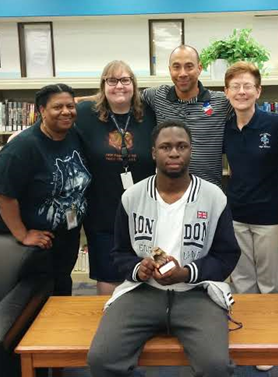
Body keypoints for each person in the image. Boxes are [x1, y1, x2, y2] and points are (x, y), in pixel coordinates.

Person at [87, 120, 241, 377]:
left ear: (191, 150)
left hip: (196, 292)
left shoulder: (214, 197)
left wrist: (187, 273)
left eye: (182, 146)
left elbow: (227, 256)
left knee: (215, 366)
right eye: (166, 147)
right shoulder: (132, 197)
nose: (174, 153)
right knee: (101, 359)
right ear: (153, 153)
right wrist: (139, 267)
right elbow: (120, 252)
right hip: (142, 292)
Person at [0, 84, 92, 296]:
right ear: (42, 110)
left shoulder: (73, 135)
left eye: (70, 106)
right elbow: (4, 194)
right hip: (27, 238)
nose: (65, 111)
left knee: (60, 285)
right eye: (57, 107)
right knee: (31, 295)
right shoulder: (22, 147)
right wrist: (23, 234)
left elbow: (90, 101)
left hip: (63, 232)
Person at [223, 61, 278, 373]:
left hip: (270, 216)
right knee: (242, 282)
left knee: (270, 284)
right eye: (235, 86)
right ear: (226, 92)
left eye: (248, 86)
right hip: (236, 214)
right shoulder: (226, 127)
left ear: (258, 91)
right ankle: (248, 339)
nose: (242, 91)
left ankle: (270, 342)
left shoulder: (276, 124)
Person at [76, 60, 156, 295]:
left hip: (145, 210)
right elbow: (53, 119)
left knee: (145, 269)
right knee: (108, 274)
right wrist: (20, 135)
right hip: (102, 210)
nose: (118, 86)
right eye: (111, 80)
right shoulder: (85, 114)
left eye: (125, 80)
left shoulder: (150, 114)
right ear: (103, 85)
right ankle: (113, 319)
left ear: (134, 84)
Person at [142, 45, 232, 187]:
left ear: (200, 68)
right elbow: (125, 96)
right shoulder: (157, 96)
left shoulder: (222, 102)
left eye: (189, 66)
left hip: (208, 193)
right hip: (168, 192)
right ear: (170, 69)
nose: (182, 73)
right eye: (176, 67)